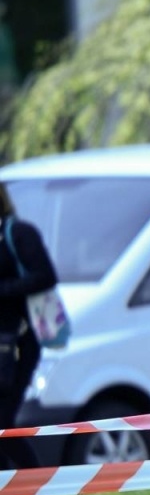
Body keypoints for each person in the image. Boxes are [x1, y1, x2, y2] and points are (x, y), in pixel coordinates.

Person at [0, 183, 58, 471]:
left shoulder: (19, 233)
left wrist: (5, 289)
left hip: (19, 343)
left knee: (3, 422)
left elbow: (46, 276)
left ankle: (38, 482)